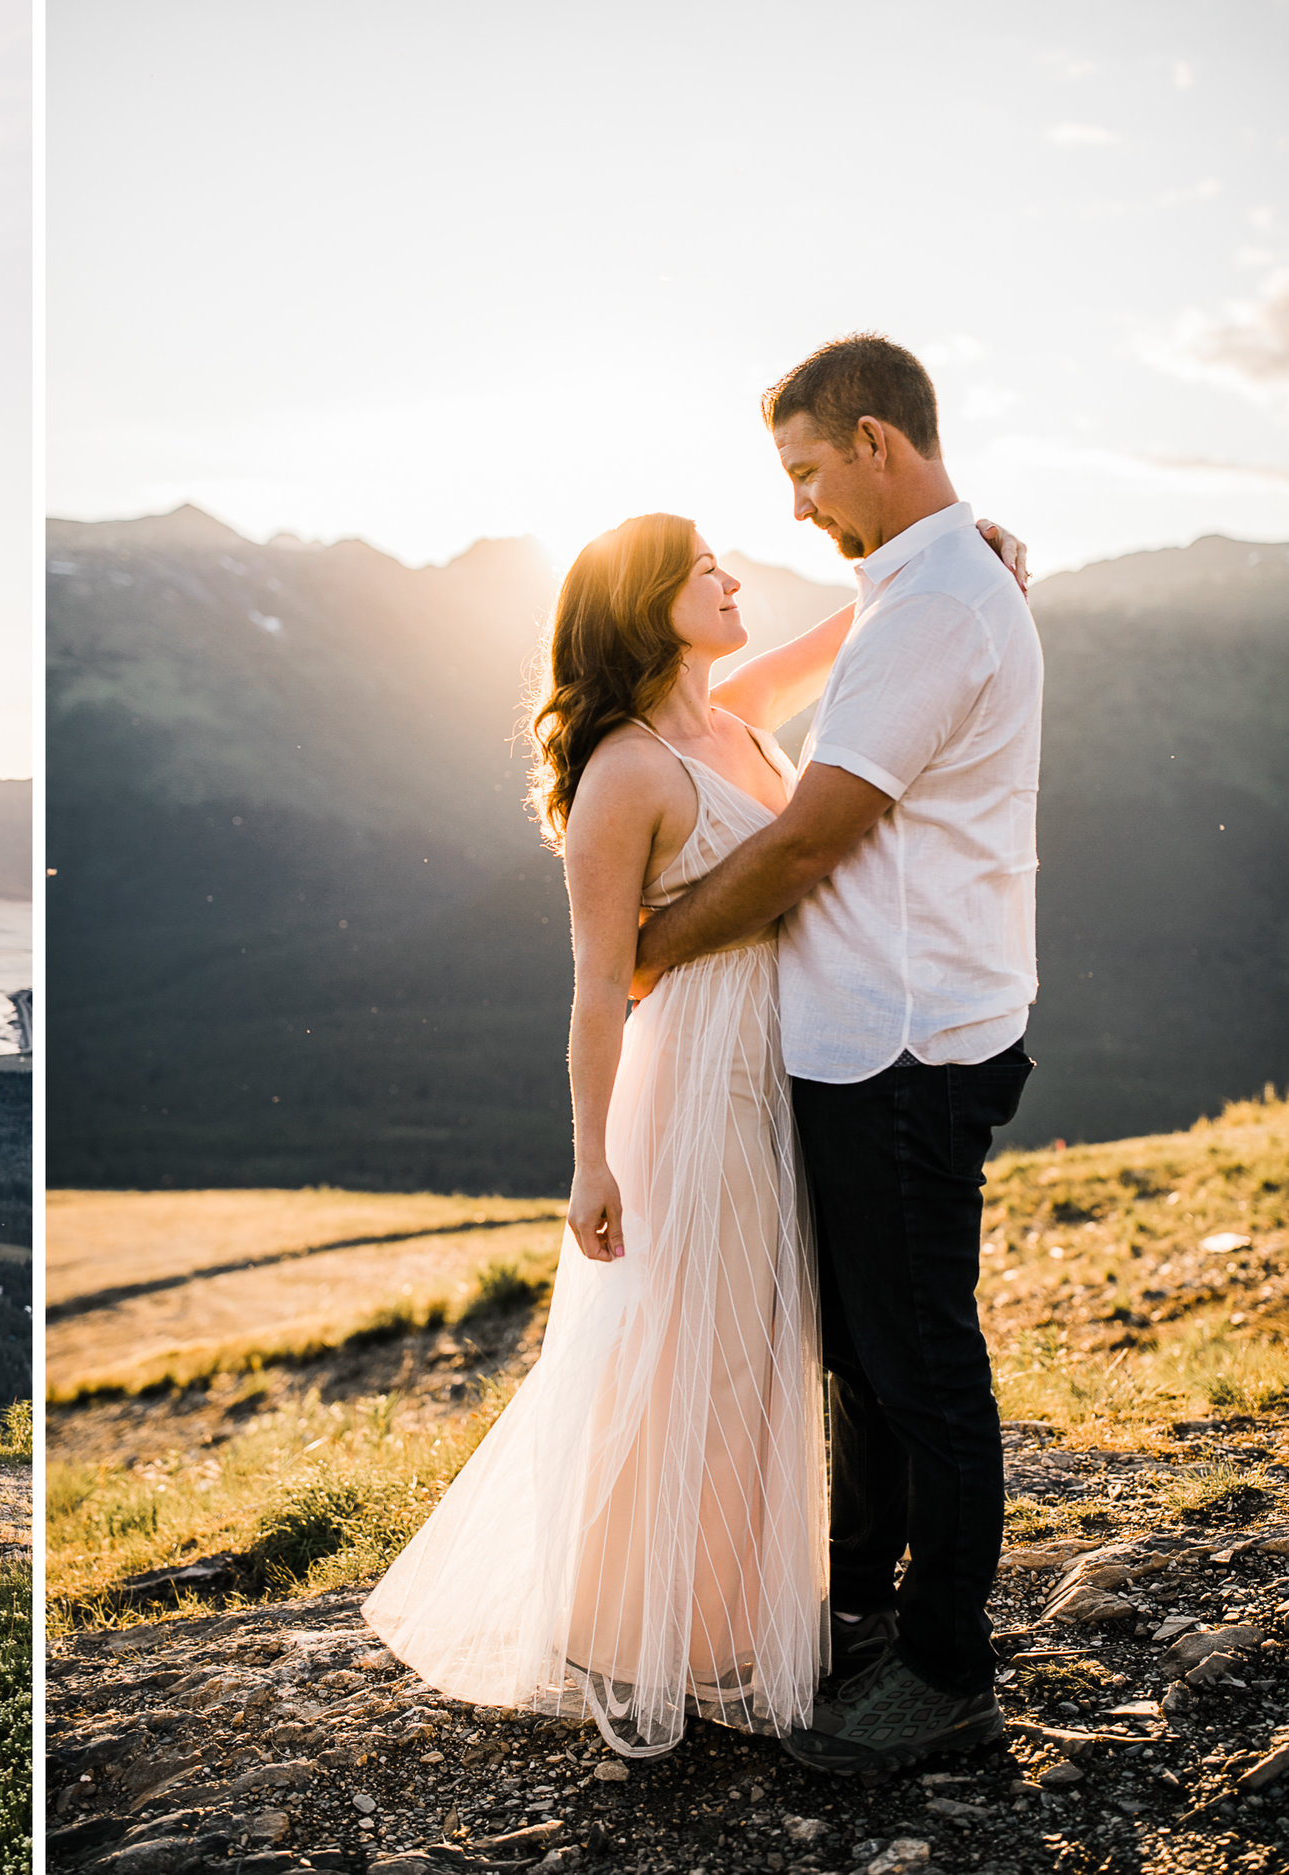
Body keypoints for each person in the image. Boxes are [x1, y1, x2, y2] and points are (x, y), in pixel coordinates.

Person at [364, 339, 1030, 1763]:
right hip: (705, 1080)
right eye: (708, 565)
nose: (746, 564)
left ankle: (771, 1608)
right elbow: (600, 983)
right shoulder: (625, 769)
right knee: (697, 1348)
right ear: (645, 607)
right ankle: (650, 1616)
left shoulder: (729, 714)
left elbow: (858, 645)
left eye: (792, 486)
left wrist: (956, 542)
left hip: (797, 1066)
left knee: (777, 1347)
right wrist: (591, 1154)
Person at [635, 335, 1043, 1776]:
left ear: (877, 441)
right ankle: (862, 1608)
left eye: (807, 470)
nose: (797, 506)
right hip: (875, 1033)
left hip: (910, 1041)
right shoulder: (918, 585)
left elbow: (814, 831)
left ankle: (943, 1672)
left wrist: (654, 948)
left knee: (921, 1354)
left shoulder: (936, 605)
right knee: (867, 1351)